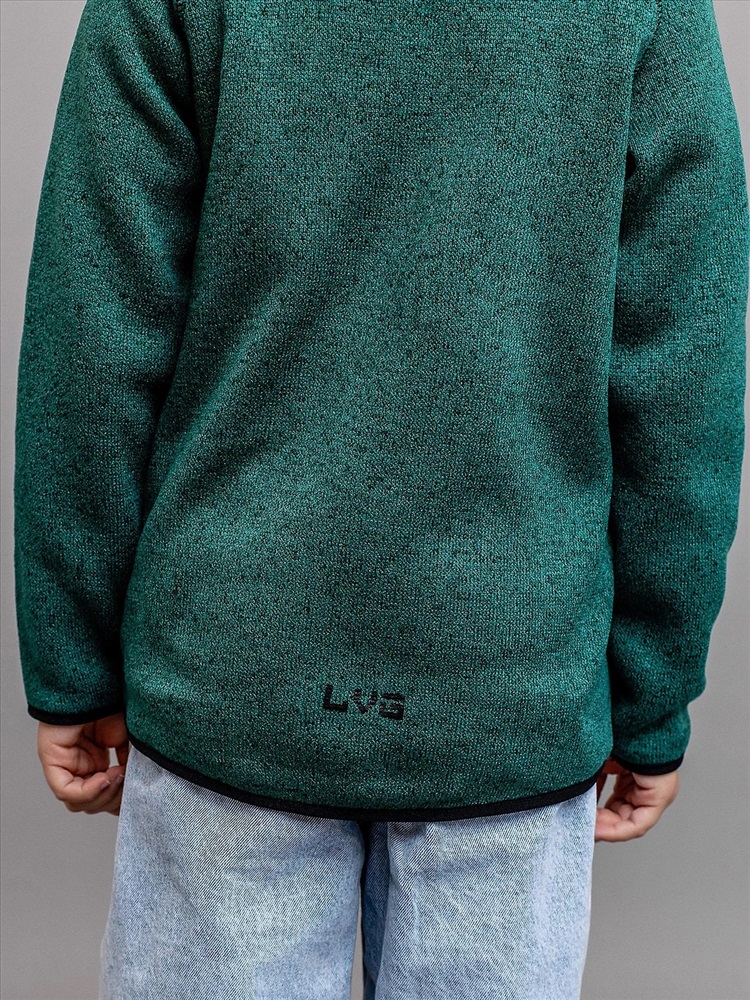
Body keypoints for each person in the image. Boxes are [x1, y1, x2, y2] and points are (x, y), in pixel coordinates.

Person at [14, 0, 748, 997]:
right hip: (511, 684)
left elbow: (93, 334)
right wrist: (651, 696)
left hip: (229, 672)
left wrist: (75, 661)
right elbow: (681, 377)